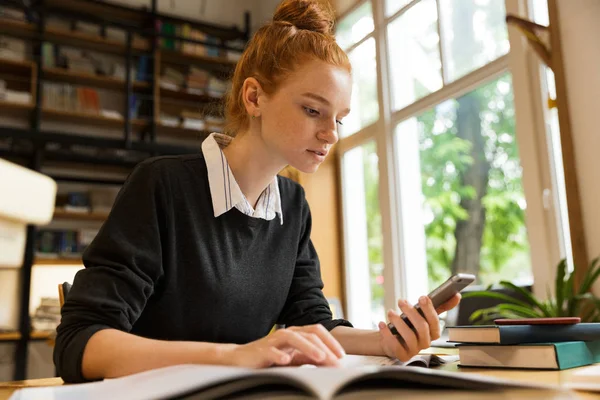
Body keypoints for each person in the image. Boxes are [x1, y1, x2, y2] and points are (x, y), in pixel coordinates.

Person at [54, 0, 460, 383]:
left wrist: (384, 341)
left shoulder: (293, 206)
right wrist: (235, 356)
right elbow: (79, 341)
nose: (330, 133)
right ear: (254, 97)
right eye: (313, 110)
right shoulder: (161, 186)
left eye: (339, 118)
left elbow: (311, 323)